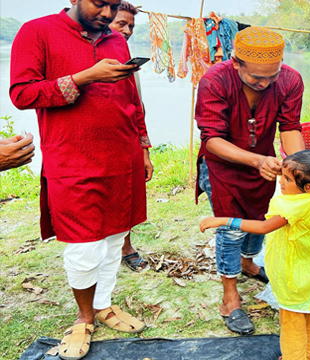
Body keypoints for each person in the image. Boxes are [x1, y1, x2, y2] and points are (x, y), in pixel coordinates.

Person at [10, 1, 149, 358]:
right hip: (73, 158)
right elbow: (22, 94)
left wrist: (144, 146)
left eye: (113, 4)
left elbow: (132, 97)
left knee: (117, 235)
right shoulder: (37, 32)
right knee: (84, 246)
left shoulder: (116, 40)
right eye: (98, 2)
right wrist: (86, 76)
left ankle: (103, 305)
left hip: (123, 154)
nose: (106, 12)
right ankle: (84, 318)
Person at [195, 26, 305, 335]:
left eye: (272, 76)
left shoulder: (290, 80)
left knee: (260, 217)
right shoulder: (215, 80)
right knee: (230, 230)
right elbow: (212, 140)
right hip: (223, 168)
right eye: (257, 77)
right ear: (236, 62)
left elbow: (290, 126)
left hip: (266, 165)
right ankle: (230, 296)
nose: (265, 83)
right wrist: (256, 160)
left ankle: (248, 263)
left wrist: (297, 168)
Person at [200, 150, 310, 360]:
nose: (280, 181)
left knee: (292, 326)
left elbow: (264, 227)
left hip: (295, 279)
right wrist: (287, 171)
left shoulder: (293, 208)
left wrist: (223, 221)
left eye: (287, 179)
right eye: (282, 175)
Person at [109, 0, 153, 272]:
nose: (126, 30)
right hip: (100, 140)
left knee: (126, 194)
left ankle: (126, 245)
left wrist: (145, 149)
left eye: (131, 26)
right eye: (120, 24)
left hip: (128, 137)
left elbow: (136, 106)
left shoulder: (125, 55)